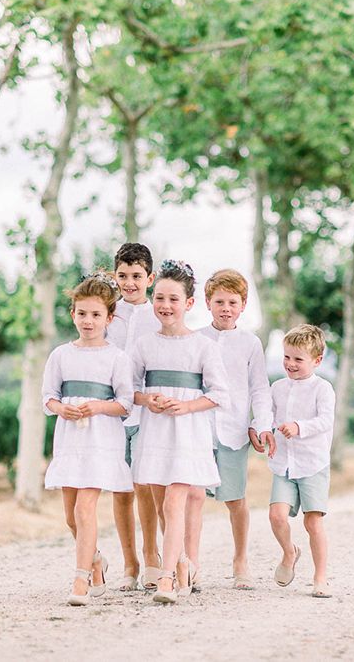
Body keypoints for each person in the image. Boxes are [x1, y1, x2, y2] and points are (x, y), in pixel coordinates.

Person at [130, 259, 230, 604]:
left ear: (189, 304)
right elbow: (128, 391)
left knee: (175, 502)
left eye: (174, 299)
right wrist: (147, 399)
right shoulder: (143, 345)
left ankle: (167, 578)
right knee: (161, 506)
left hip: (188, 434)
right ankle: (183, 562)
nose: (165, 306)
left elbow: (220, 394)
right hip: (155, 433)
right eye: (160, 298)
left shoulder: (204, 347)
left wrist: (186, 406)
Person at [42, 272, 135, 606]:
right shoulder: (61, 355)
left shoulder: (117, 358)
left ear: (109, 318)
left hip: (101, 441)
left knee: (85, 509)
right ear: (72, 314)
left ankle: (80, 580)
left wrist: (97, 405)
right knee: (71, 516)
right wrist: (60, 409)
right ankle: (95, 560)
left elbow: (125, 402)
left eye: (96, 314)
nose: (88, 320)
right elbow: (48, 397)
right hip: (69, 442)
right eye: (82, 313)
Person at [185, 269, 274, 591]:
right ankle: (190, 564)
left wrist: (260, 424)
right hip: (198, 429)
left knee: (235, 499)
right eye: (219, 301)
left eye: (232, 302)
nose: (225, 307)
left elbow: (260, 389)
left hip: (234, 431)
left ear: (243, 305)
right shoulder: (194, 338)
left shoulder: (250, 343)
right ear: (208, 303)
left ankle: (240, 559)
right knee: (192, 497)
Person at [259, 323, 335, 598]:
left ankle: (320, 577)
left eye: (298, 359)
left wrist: (299, 427)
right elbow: (266, 414)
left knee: (312, 522)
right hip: (283, 464)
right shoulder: (277, 387)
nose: (290, 364)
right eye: (287, 357)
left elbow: (325, 420)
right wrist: (264, 431)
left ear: (317, 360)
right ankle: (289, 552)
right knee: (276, 515)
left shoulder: (322, 389)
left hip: (312, 464)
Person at [105, 243, 162, 591]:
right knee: (120, 490)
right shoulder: (108, 314)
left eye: (137, 276)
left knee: (145, 486)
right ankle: (129, 563)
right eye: (123, 276)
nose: (130, 282)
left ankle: (152, 555)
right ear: (115, 277)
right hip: (112, 415)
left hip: (146, 414)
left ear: (150, 278)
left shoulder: (158, 314)